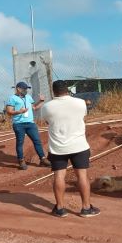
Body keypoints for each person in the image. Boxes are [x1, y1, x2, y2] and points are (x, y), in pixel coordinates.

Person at [41, 80, 100, 218]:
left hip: (57, 147)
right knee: (82, 176)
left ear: (53, 91)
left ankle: (60, 208)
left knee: (59, 176)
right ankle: (86, 208)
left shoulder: (47, 107)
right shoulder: (80, 103)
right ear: (67, 90)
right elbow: (82, 116)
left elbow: (48, 122)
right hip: (79, 145)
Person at [5, 82, 51, 170]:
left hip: (30, 123)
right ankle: (21, 160)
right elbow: (9, 111)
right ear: (18, 89)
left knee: (37, 141)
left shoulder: (28, 97)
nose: (26, 90)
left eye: (27, 89)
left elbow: (34, 108)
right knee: (20, 142)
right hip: (19, 124)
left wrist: (41, 101)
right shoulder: (12, 98)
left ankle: (43, 159)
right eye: (24, 89)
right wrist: (19, 112)